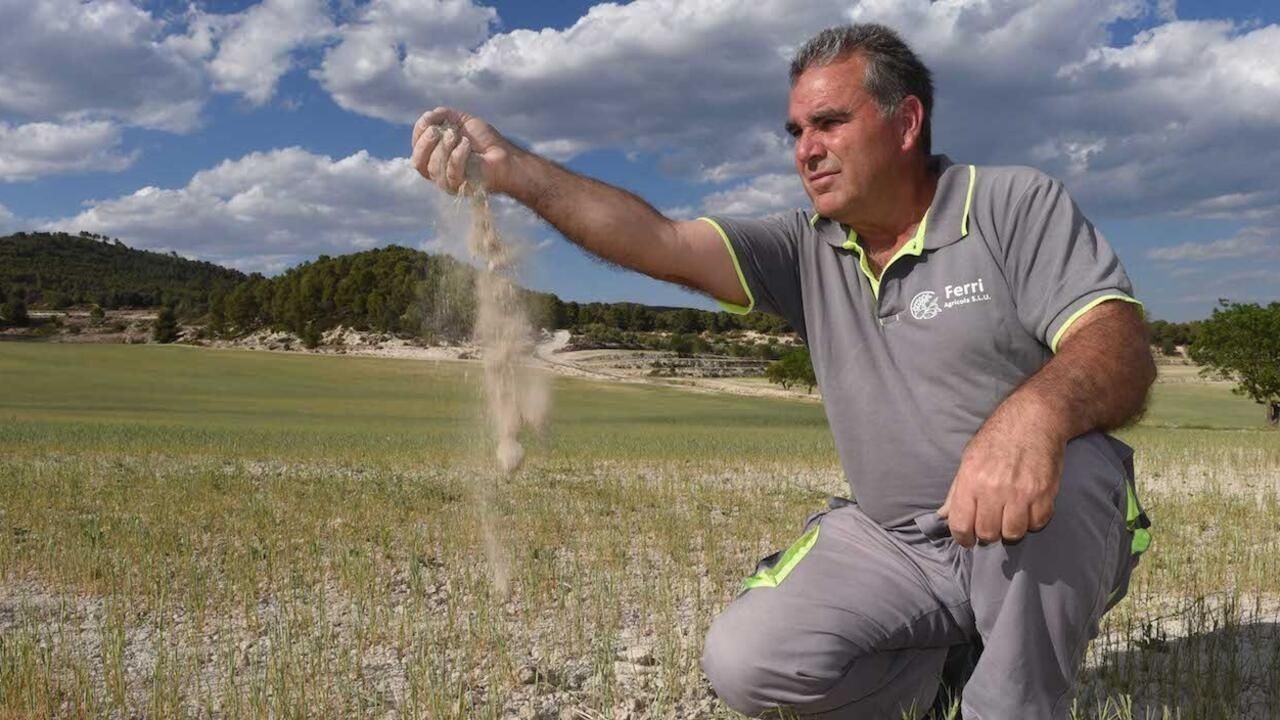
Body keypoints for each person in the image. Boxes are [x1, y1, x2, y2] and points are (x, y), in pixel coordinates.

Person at [411, 22, 1155, 720]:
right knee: (747, 663)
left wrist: (1032, 417)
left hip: (1026, 523)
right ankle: (939, 674)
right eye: (796, 132)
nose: (807, 149)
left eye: (830, 122)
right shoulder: (806, 247)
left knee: (1074, 465)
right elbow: (659, 239)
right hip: (896, 540)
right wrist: (512, 172)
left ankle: (1011, 700)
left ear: (906, 122)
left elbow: (1117, 348)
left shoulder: (1009, 204)